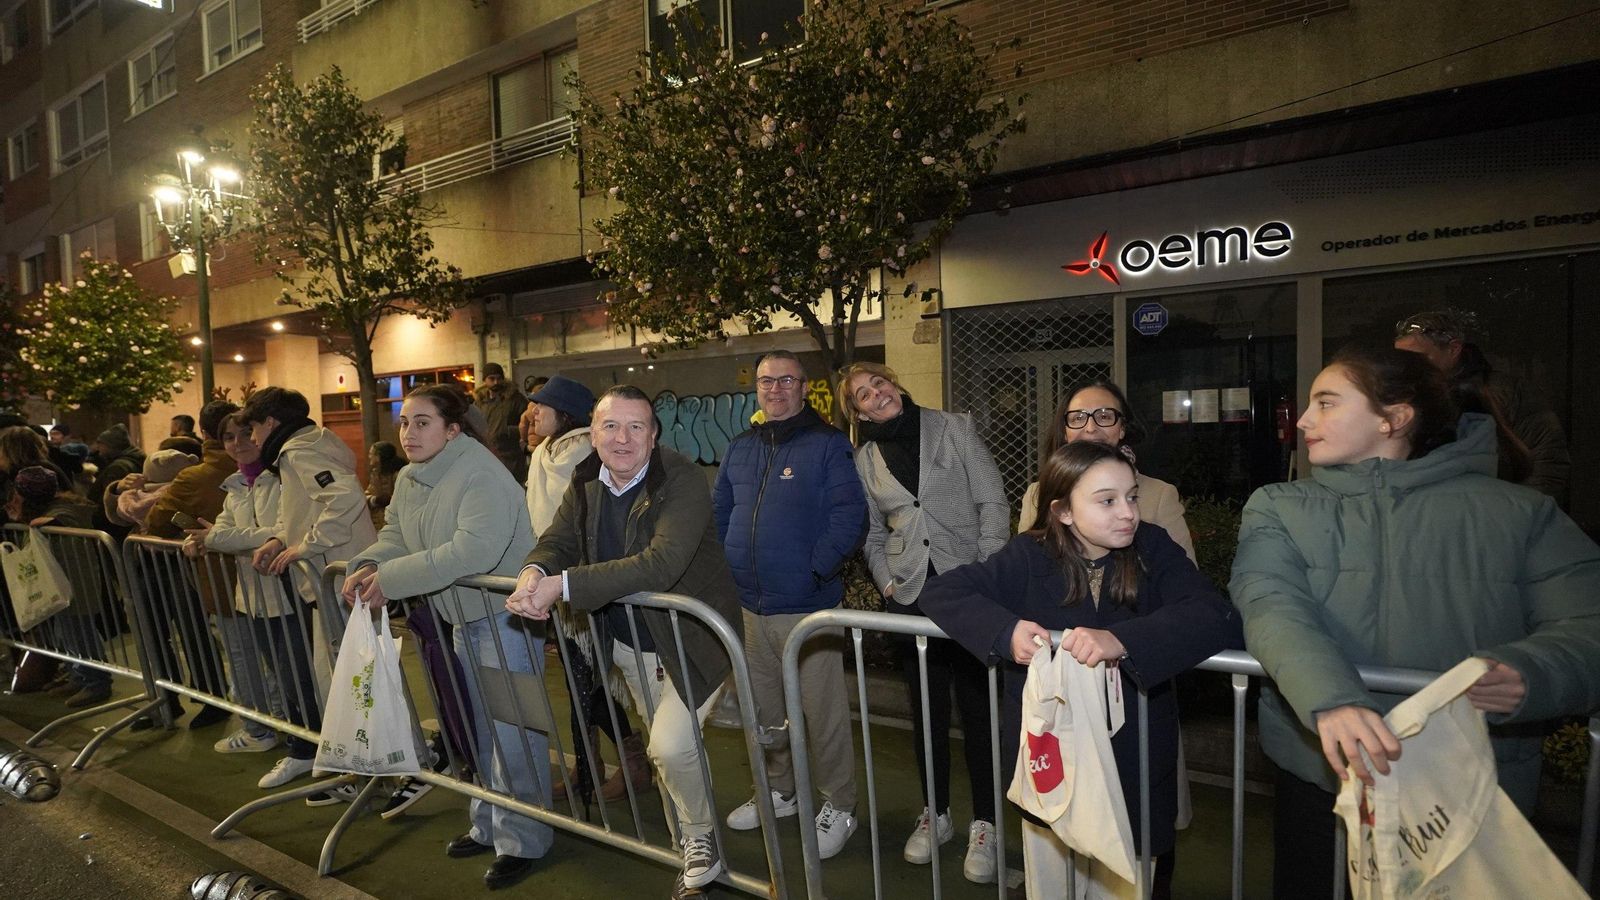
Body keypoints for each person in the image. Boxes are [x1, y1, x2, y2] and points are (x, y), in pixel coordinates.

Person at [1230, 345, 1600, 898]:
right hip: (1322, 777)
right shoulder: (1280, 505)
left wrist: (1532, 672)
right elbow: (1270, 603)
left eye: (1326, 403)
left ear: (1393, 417)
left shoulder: (1522, 514)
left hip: (1470, 777)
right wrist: (1331, 698)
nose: (1304, 420)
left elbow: (1588, 621)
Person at [920, 441, 1242, 899]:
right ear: (1064, 510)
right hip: (1054, 762)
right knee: (1052, 882)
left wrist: (1124, 640)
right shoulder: (1028, 555)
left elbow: (1214, 614)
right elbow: (944, 592)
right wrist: (1003, 630)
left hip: (1132, 761)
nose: (1128, 512)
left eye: (1132, 496)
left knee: (1124, 883)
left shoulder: (1153, 546)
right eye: (1107, 500)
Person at [509, 385, 744, 894]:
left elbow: (662, 563)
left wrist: (563, 585)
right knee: (670, 756)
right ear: (591, 434)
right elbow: (561, 539)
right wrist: (534, 570)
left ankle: (701, 837)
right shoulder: (587, 477)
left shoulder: (679, 477)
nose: (622, 438)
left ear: (654, 436)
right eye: (610, 426)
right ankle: (692, 850)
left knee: (669, 744)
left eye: (636, 426)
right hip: (629, 643)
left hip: (690, 640)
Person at [344, 384, 550, 889]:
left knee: (512, 735)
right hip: (461, 619)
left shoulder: (480, 473)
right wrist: (370, 562)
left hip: (505, 621)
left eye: (422, 422)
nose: (408, 432)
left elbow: (471, 552)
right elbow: (395, 534)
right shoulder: (414, 477)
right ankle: (489, 824)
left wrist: (389, 581)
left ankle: (524, 839)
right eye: (404, 422)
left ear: (452, 429)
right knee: (475, 729)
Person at [838, 360, 1008, 882]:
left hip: (968, 590)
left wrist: (984, 571)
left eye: (879, 384)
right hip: (910, 593)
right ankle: (935, 815)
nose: (876, 395)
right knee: (926, 713)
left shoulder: (953, 427)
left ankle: (987, 824)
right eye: (863, 395)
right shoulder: (865, 459)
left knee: (979, 710)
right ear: (858, 412)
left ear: (895, 382)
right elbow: (870, 533)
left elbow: (993, 501)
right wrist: (888, 581)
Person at [714, 352, 868, 859]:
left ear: (804, 387)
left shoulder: (827, 446)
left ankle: (840, 805)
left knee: (822, 716)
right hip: (748, 608)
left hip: (808, 609)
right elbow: (720, 513)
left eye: (786, 379)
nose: (775, 388)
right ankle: (780, 792)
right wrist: (726, 569)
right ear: (755, 388)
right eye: (766, 380)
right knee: (765, 714)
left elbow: (851, 518)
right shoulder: (739, 448)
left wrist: (812, 570)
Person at [238, 387, 377, 798]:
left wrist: (306, 544)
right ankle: (358, 772)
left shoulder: (300, 451)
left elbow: (343, 498)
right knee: (342, 678)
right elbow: (303, 511)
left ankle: (365, 774)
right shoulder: (308, 446)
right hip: (335, 580)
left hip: (338, 581)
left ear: (270, 423)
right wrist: (281, 539)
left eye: (253, 428)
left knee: (350, 680)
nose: (252, 439)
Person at [524, 375, 648, 805]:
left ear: (566, 414)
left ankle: (621, 764)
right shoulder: (543, 454)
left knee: (590, 682)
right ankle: (593, 764)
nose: (534, 413)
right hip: (554, 586)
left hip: (585, 585)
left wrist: (574, 580)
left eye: (543, 406)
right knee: (581, 683)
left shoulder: (586, 454)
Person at [184, 412, 288, 756]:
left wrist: (216, 539)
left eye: (246, 433)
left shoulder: (283, 478)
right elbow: (224, 529)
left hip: (287, 594)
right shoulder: (236, 485)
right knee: (274, 667)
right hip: (253, 595)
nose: (238, 443)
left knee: (292, 671)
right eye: (229, 437)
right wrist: (205, 539)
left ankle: (301, 742)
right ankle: (286, 733)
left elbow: (281, 531)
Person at [1394, 308, 1569, 504]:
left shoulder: (1505, 392)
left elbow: (1547, 459)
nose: (1407, 366)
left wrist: (1519, 515)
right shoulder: (1399, 397)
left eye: (1418, 358)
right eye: (1401, 359)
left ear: (1453, 349)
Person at [1020, 380, 1195, 561]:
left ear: (1122, 429)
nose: (1090, 428)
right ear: (1065, 432)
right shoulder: (1038, 494)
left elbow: (1186, 576)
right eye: (1078, 418)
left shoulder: (1159, 495)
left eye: (1104, 416)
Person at [7, 466, 113, 709]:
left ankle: (97, 682)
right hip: (60, 586)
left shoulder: (63, 510)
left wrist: (51, 522)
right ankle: (79, 676)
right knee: (67, 634)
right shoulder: (51, 507)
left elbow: (69, 519)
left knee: (81, 635)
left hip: (75, 586)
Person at [88, 424, 146, 540]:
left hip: (114, 528)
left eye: (101, 444)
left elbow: (109, 500)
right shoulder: (132, 460)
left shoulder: (118, 467)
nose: (98, 448)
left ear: (110, 445)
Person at [475, 362, 529, 481]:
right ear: (485, 380)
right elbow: (474, 423)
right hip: (488, 456)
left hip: (511, 456)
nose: (496, 382)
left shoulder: (515, 399)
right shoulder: (480, 401)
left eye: (499, 378)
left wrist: (508, 431)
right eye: (492, 378)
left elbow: (529, 423)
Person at [364, 440, 404, 531]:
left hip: (395, 523)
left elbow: (404, 499)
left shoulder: (398, 474)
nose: (369, 456)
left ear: (379, 456)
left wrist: (389, 500)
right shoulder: (375, 474)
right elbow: (366, 495)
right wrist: (374, 500)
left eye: (371, 454)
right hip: (378, 522)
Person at [518, 376, 550, 459]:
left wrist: (524, 440)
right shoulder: (552, 408)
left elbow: (523, 426)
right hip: (548, 444)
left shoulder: (530, 408)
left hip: (533, 444)